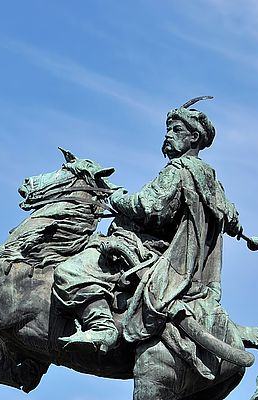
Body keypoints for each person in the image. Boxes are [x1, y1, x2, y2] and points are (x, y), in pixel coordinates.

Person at [53, 97, 244, 360]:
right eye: (168, 129)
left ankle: (102, 326)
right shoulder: (212, 182)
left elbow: (150, 207)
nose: (168, 135)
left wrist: (117, 197)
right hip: (175, 260)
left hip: (148, 250)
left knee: (69, 271)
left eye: (176, 130)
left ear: (194, 137)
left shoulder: (178, 170)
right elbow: (231, 217)